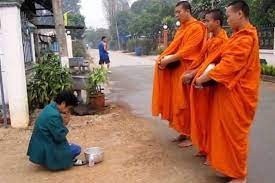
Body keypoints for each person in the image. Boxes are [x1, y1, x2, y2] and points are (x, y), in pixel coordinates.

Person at [195, 1, 260, 182]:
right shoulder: (237, 37)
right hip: (227, 92)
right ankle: (228, 167)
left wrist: (202, 79)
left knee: (234, 135)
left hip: (239, 95)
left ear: (240, 14)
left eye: (229, 15)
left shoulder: (246, 38)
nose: (228, 20)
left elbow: (227, 66)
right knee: (222, 132)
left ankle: (239, 175)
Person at [152, 1, 207, 147]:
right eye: (175, 13)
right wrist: (163, 57)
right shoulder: (182, 29)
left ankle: (191, 135)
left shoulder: (197, 28)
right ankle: (183, 131)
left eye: (179, 12)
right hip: (178, 69)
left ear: (187, 11)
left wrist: (169, 58)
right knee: (178, 102)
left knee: (187, 103)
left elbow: (188, 50)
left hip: (189, 69)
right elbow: (173, 47)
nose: (176, 15)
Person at [182, 9, 228, 158]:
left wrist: (195, 75)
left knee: (210, 120)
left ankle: (211, 152)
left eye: (208, 21)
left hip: (211, 85)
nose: (205, 23)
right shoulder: (211, 39)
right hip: (202, 83)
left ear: (217, 22)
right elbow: (202, 59)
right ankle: (204, 147)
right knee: (201, 118)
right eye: (204, 20)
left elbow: (212, 64)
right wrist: (192, 71)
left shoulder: (222, 41)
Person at [27, 91, 87, 171]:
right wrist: (66, 122)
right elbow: (59, 137)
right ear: (63, 103)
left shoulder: (50, 107)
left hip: (41, 144)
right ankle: (59, 161)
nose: (68, 111)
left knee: (70, 146)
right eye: (69, 108)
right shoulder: (54, 115)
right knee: (76, 149)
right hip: (47, 147)